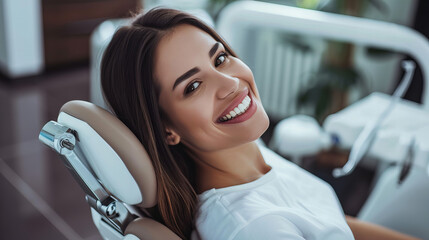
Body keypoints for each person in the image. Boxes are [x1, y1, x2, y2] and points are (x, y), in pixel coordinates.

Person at [100, 8, 420, 240]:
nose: (229, 83)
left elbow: (327, 221)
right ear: (165, 129)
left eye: (220, 58)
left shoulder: (247, 151)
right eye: (192, 87)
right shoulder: (255, 228)